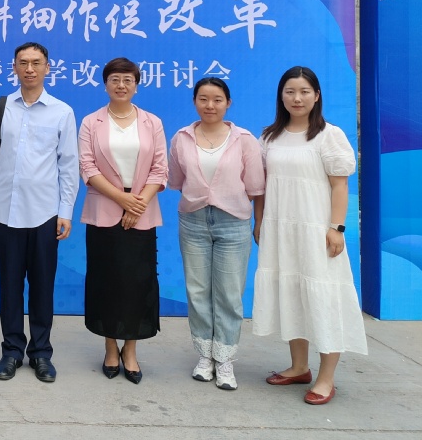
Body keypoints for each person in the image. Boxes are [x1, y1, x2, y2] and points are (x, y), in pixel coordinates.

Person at [252, 66, 367, 405]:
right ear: (281, 96)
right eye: (290, 91)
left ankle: (326, 378)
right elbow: (262, 187)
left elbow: (340, 185)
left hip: (317, 230)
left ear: (316, 95)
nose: (297, 98)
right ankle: (299, 367)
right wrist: (260, 222)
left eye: (304, 91)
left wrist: (336, 228)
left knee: (324, 297)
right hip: (280, 229)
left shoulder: (329, 135)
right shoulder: (269, 137)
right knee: (292, 293)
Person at [0, 42, 78, 383]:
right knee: (9, 286)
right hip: (6, 211)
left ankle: (41, 353)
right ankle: (11, 351)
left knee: (42, 287)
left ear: (48, 67)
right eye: (23, 63)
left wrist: (65, 211)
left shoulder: (61, 112)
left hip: (45, 213)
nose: (30, 69)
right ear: (14, 67)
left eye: (36, 63)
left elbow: (69, 165)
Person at [167, 77, 265, 390]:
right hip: (193, 221)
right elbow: (177, 180)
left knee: (229, 294)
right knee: (197, 291)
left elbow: (256, 188)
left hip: (233, 222)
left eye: (217, 99)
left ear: (228, 103)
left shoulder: (244, 140)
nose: (210, 105)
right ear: (195, 101)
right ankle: (204, 356)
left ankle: (225, 359)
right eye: (204, 99)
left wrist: (256, 222)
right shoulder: (181, 137)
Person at [78, 56, 167, 384]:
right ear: (105, 84)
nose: (121, 85)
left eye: (128, 80)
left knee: (137, 283)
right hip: (104, 210)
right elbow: (87, 167)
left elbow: (160, 168)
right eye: (115, 79)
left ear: (136, 85)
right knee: (107, 281)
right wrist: (122, 199)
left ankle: (130, 349)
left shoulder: (152, 122)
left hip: (141, 212)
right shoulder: (92, 122)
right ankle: (110, 347)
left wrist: (136, 204)